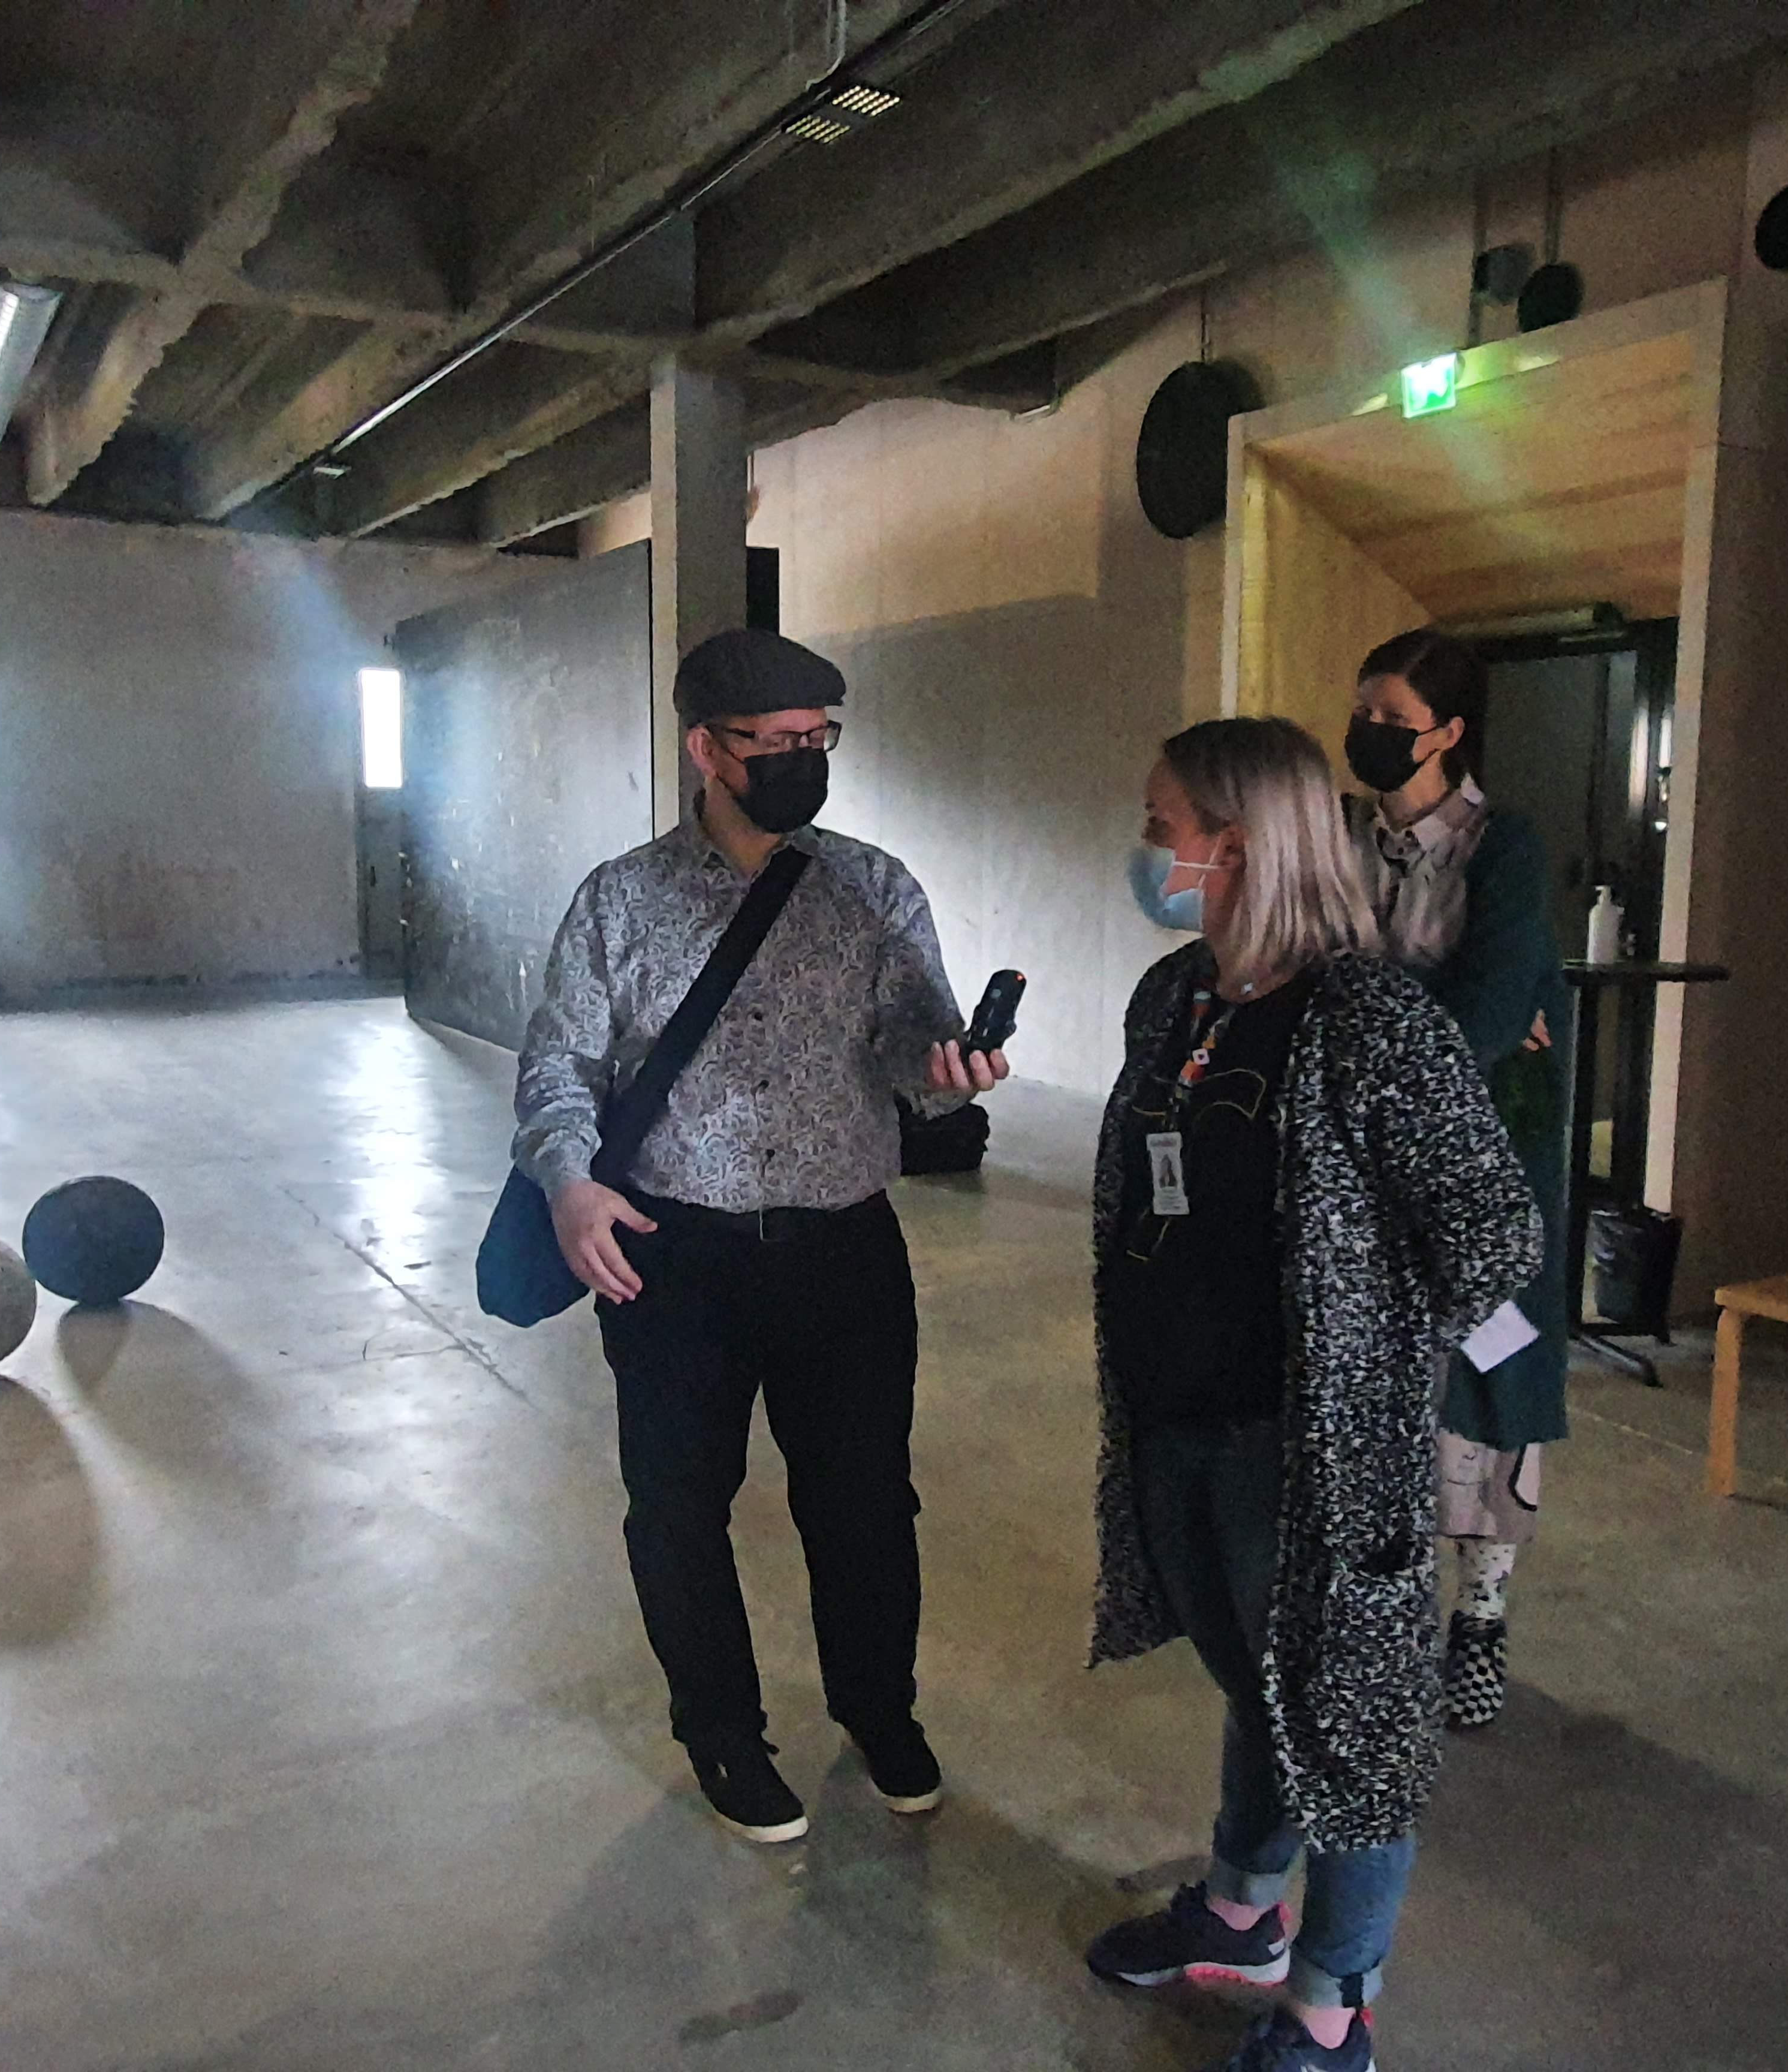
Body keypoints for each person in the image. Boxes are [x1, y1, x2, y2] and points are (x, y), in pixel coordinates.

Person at [1086, 717, 1542, 2072]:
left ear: (1235, 844)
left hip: (1311, 1451)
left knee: (1350, 1723)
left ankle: (1336, 2004)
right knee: (1259, 1679)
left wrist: (1383, 1363)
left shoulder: (1370, 1020)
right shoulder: (1176, 996)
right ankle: (1242, 1912)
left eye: (1163, 822)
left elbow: (1492, 1235)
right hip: (1175, 1416)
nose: (1147, 845)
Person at [512, 628, 1006, 1844]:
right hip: (671, 1250)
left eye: (818, 738)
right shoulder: (621, 899)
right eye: (776, 741)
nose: (804, 759)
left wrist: (950, 1071)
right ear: (706, 749)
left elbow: (912, 1049)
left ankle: (879, 1711)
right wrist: (570, 1184)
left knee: (866, 1504)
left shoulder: (872, 886)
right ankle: (722, 1733)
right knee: (678, 1505)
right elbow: (560, 1064)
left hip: (843, 1248)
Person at [1344, 627, 1572, 1730]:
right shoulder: (1345, 838)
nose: (1371, 733)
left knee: (1490, 1375)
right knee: (1375, 1380)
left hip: (1484, 1163)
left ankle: (1480, 1619)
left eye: (1394, 719)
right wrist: (1435, 1015)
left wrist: (1384, 1019)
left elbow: (1493, 1008)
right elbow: (1316, 979)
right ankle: (1377, 1611)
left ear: (1449, 733)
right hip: (1365, 1161)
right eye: (1364, 713)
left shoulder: (1502, 846)